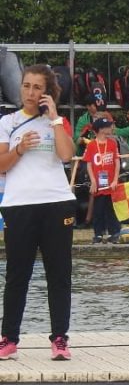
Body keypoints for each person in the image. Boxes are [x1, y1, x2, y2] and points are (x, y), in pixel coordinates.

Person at [0, 64, 76, 361]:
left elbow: (67, 155)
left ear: (47, 93)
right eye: (26, 86)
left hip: (57, 203)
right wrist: (19, 149)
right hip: (19, 206)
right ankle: (9, 339)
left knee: (59, 274)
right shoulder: (8, 122)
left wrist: (54, 118)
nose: (30, 93)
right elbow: (1, 165)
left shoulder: (57, 122)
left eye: (37, 88)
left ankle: (59, 339)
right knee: (17, 274)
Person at [84, 116, 123, 244]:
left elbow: (117, 162)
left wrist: (115, 180)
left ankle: (115, 233)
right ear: (100, 130)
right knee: (98, 209)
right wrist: (93, 181)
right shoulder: (91, 145)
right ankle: (98, 234)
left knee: (112, 209)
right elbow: (89, 164)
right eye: (108, 126)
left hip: (111, 184)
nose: (111, 128)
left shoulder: (112, 143)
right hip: (98, 184)